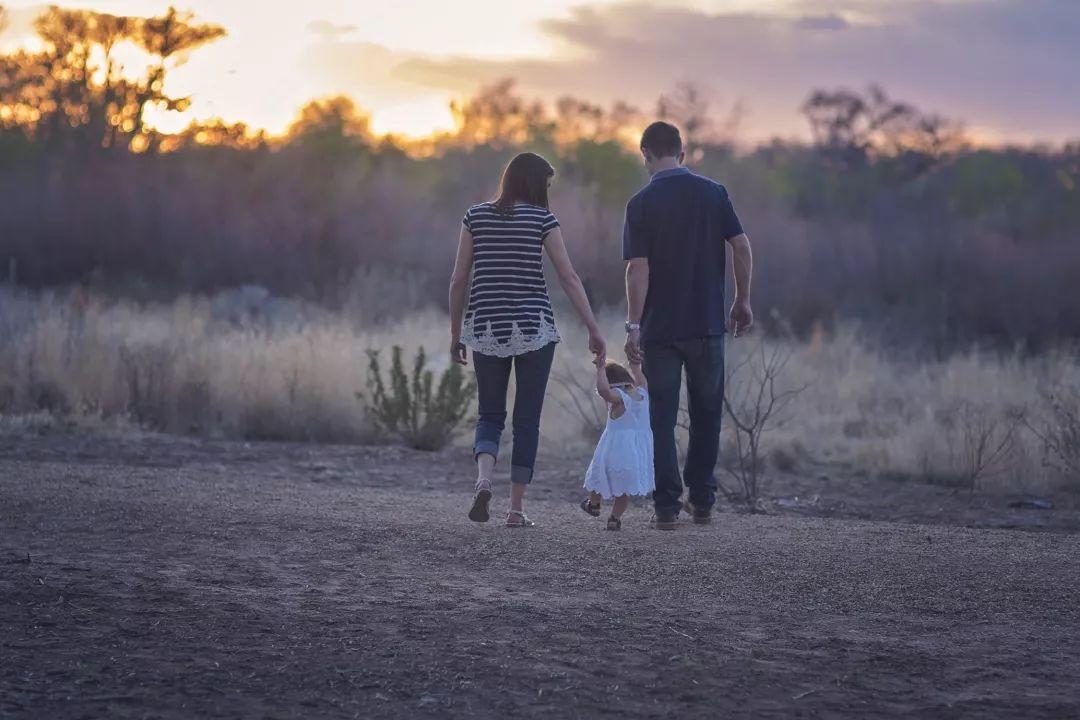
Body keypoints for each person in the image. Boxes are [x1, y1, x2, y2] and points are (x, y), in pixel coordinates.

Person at [449, 152, 606, 528]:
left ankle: (484, 480)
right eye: (546, 184)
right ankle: (515, 510)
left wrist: (456, 333)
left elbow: (458, 280)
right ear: (535, 183)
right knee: (527, 420)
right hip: (534, 327)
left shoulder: (475, 216)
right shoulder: (543, 220)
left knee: (489, 414)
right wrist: (593, 328)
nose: (548, 191)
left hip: (486, 326)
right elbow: (568, 278)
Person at [622, 122, 755, 530]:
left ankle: (665, 507)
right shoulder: (713, 194)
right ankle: (702, 501)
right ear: (682, 154)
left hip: (661, 330)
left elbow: (637, 270)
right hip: (707, 325)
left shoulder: (640, 203)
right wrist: (742, 299)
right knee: (707, 413)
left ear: (645, 154)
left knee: (661, 417)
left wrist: (633, 325)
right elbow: (741, 246)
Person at [580, 358, 655, 531]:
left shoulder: (619, 398)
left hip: (614, 450)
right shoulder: (642, 394)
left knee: (599, 475)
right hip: (635, 452)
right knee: (623, 489)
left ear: (613, 384)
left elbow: (604, 391)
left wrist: (600, 370)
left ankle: (594, 504)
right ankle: (614, 518)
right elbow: (641, 379)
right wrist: (635, 368)